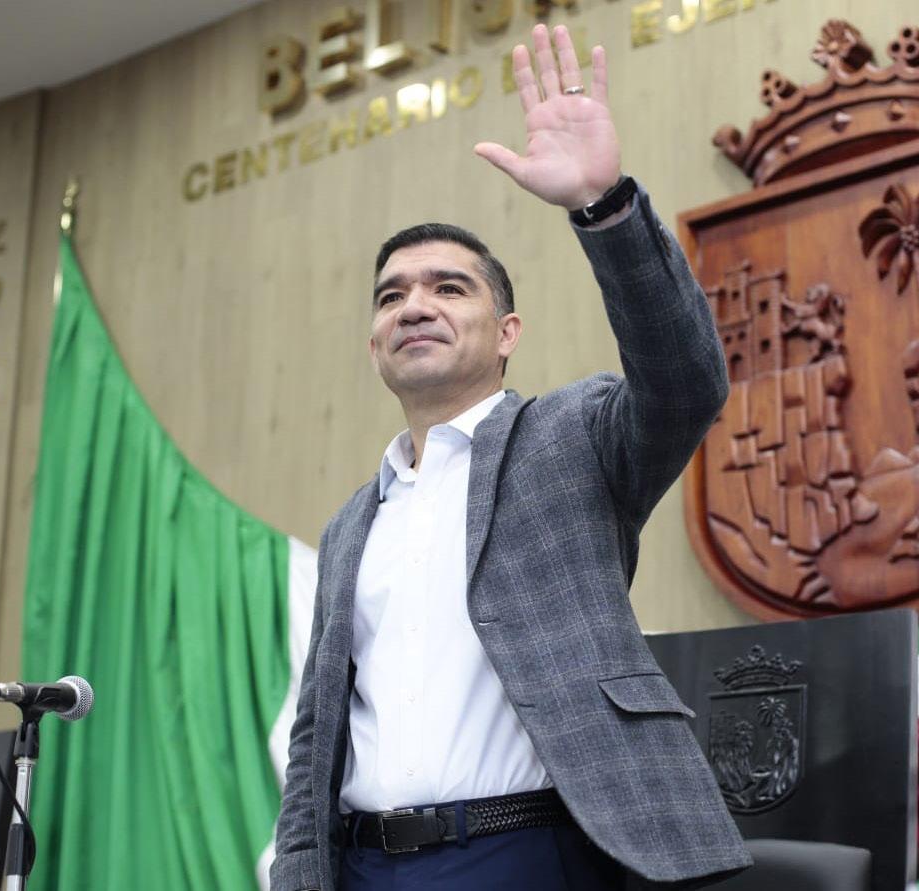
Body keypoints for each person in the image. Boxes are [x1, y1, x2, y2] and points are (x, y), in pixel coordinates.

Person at [269, 23, 751, 891]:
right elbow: (318, 727)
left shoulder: (572, 435)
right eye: (391, 296)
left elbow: (687, 381)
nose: (414, 305)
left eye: (449, 288)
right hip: (366, 865)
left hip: (531, 851)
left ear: (506, 333)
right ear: (375, 345)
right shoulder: (351, 525)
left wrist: (603, 207)